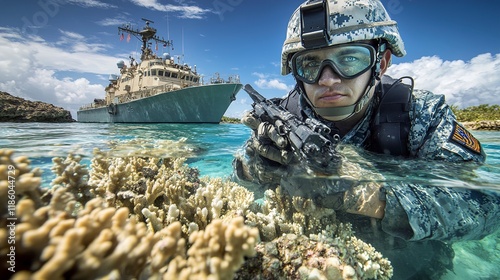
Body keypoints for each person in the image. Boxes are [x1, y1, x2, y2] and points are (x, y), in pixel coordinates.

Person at [232, 0, 500, 279]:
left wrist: (366, 196)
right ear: (297, 74)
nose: (327, 79)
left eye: (349, 59)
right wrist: (253, 165)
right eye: (310, 63)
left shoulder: (422, 115)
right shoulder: (283, 117)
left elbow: (486, 204)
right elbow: (236, 179)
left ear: (380, 63)